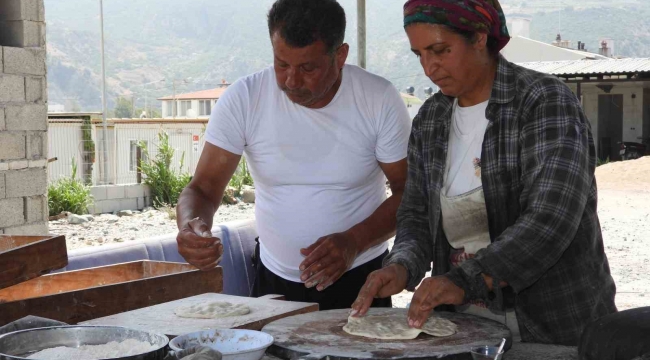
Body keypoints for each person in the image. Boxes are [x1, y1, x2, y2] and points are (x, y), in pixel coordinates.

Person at [351, 0, 617, 346]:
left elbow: (550, 221)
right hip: (463, 330)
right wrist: (401, 265)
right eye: (419, 54)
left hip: (552, 324)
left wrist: (465, 279)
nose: (429, 67)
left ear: (479, 37)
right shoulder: (430, 120)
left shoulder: (543, 103)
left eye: (440, 50)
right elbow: (416, 214)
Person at [175, 0, 411, 311]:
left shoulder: (378, 99)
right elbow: (203, 189)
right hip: (274, 281)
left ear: (340, 56)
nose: (291, 81)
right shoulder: (244, 98)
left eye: (307, 67)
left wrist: (354, 242)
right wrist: (191, 226)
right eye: (281, 64)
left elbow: (409, 193)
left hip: (360, 276)